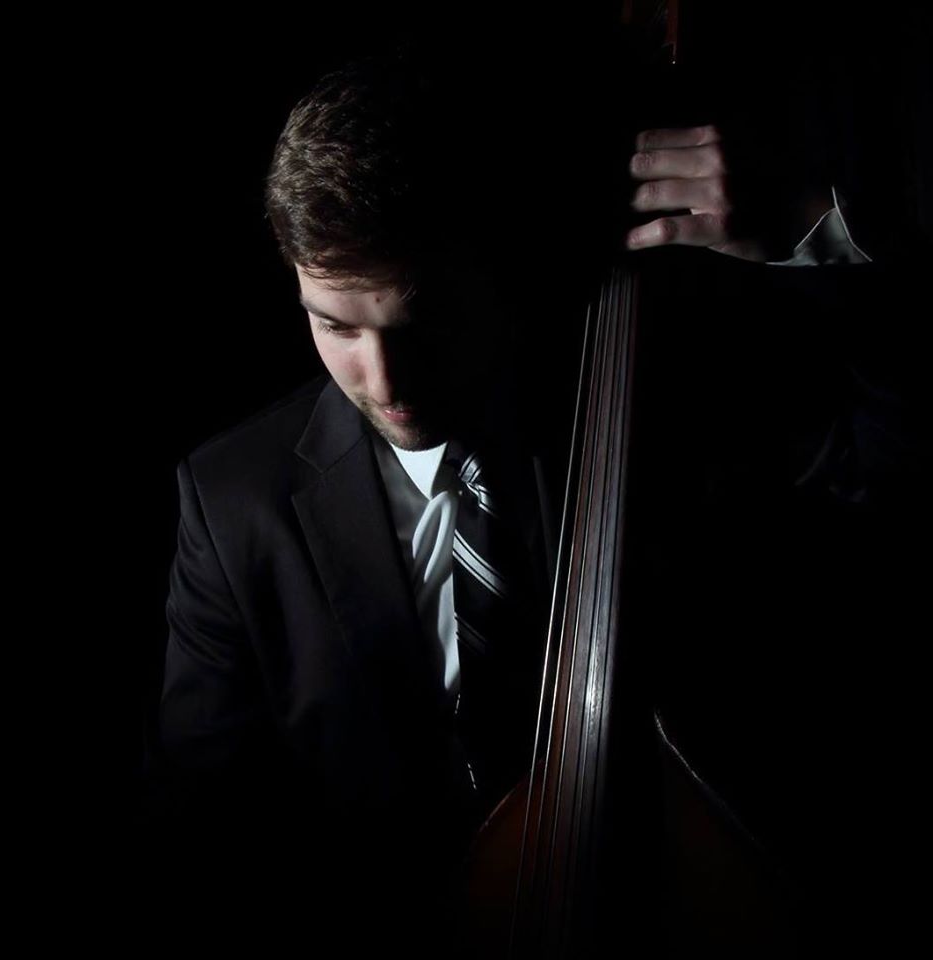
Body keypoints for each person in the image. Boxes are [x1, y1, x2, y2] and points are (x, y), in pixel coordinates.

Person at [139, 46, 916, 953]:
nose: (385, 381)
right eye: (336, 325)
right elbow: (201, 828)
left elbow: (893, 469)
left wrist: (817, 230)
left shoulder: (650, 411)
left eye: (421, 320)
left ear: (489, 268)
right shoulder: (234, 502)